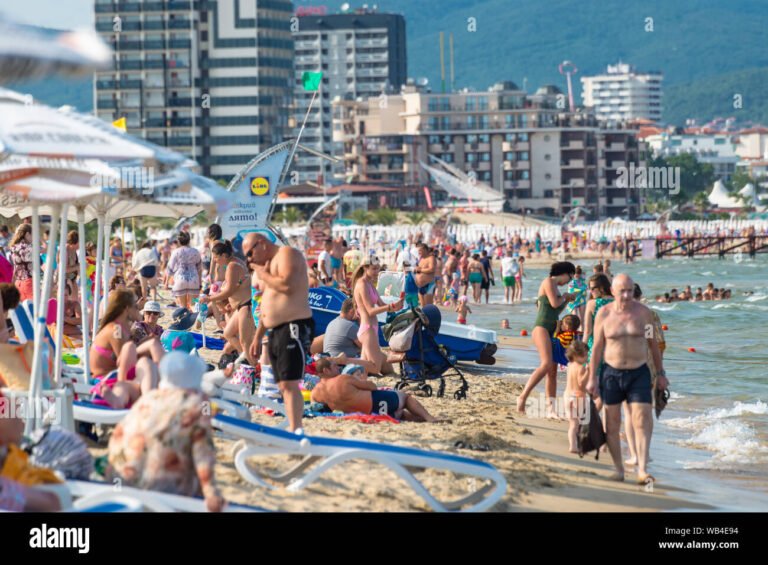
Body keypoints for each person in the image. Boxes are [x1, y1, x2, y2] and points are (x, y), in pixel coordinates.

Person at [106, 353, 225, 512]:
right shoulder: (197, 403)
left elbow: (117, 438)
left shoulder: (148, 398)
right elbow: (203, 456)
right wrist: (211, 493)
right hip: (165, 492)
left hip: (122, 484)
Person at [587, 274, 668, 485]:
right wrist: (592, 377)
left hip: (639, 372)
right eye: (622, 291)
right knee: (612, 423)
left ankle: (642, 469)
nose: (627, 295)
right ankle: (618, 469)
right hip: (611, 373)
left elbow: (653, 345)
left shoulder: (644, 314)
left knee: (642, 418)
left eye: (630, 291)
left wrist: (661, 373)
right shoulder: (604, 314)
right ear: (612, 291)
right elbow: (597, 347)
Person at [245, 229, 314, 433]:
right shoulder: (269, 266)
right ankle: (294, 427)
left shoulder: (286, 254)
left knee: (290, 383)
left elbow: (287, 286)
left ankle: (296, 428)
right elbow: (268, 305)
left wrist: (262, 273)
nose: (249, 260)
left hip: (293, 325)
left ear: (261, 243)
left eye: (249, 254)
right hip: (275, 329)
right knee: (283, 384)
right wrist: (258, 337)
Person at [516, 262, 576, 417]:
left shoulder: (556, 288)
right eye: (569, 278)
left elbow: (555, 310)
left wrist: (567, 300)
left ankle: (551, 410)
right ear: (565, 273)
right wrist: (565, 296)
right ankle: (522, 397)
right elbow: (555, 303)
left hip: (553, 331)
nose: (568, 282)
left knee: (552, 372)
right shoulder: (548, 282)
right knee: (546, 364)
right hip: (541, 328)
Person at [89, 289, 164, 409]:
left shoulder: (120, 328)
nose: (138, 310)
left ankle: (163, 382)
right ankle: (159, 389)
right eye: (135, 307)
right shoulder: (116, 330)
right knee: (146, 362)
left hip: (115, 374)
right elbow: (124, 359)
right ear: (126, 309)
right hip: (108, 377)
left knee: (152, 345)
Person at [311, 358, 446, 422]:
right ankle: (429, 418)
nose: (338, 368)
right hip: (375, 402)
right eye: (335, 366)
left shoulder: (316, 392)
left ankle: (423, 419)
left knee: (401, 414)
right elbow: (372, 387)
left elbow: (317, 409)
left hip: (365, 413)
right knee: (405, 397)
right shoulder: (342, 379)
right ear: (326, 370)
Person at [201, 241, 256, 365]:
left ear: (224, 255)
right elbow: (237, 287)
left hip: (246, 306)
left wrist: (209, 298)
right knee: (228, 333)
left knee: (245, 342)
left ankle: (252, 365)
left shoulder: (232, 266)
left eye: (216, 257)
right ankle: (247, 359)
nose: (215, 261)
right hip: (241, 305)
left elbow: (229, 291)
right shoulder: (236, 262)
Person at [350, 255, 403, 375]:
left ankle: (355, 375)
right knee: (375, 368)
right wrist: (390, 307)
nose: (377, 272)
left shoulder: (369, 284)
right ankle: (344, 361)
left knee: (365, 366)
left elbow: (381, 304)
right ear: (365, 268)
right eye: (374, 268)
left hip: (372, 328)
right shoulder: (362, 284)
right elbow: (370, 311)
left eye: (378, 268)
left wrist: (397, 306)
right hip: (367, 328)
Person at [564, 340, 590, 453]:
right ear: (576, 355)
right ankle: (578, 444)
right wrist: (588, 371)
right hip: (578, 397)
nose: (586, 357)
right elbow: (581, 383)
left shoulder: (569, 365)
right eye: (585, 355)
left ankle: (572, 445)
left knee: (572, 423)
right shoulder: (581, 368)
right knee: (579, 423)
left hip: (567, 396)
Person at [166, 231, 202, 309]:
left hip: (180, 279)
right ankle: (194, 316)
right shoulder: (195, 251)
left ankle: (184, 315)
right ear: (189, 240)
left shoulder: (175, 252)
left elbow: (170, 268)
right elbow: (199, 268)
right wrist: (200, 282)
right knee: (193, 306)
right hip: (193, 279)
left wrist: (166, 282)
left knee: (183, 307)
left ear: (178, 241)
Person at [584, 274, 614, 362]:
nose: (590, 291)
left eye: (593, 288)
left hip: (595, 346)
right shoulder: (617, 301)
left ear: (602, 287)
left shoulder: (592, 304)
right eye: (589, 288)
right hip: (614, 346)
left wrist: (582, 348)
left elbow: (588, 331)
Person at [9, 224, 34, 302]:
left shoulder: (14, 247)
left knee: (23, 307)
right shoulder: (28, 248)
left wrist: (12, 283)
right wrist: (41, 239)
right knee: (35, 307)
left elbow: (15, 268)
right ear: (27, 234)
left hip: (18, 283)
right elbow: (45, 249)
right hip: (28, 283)